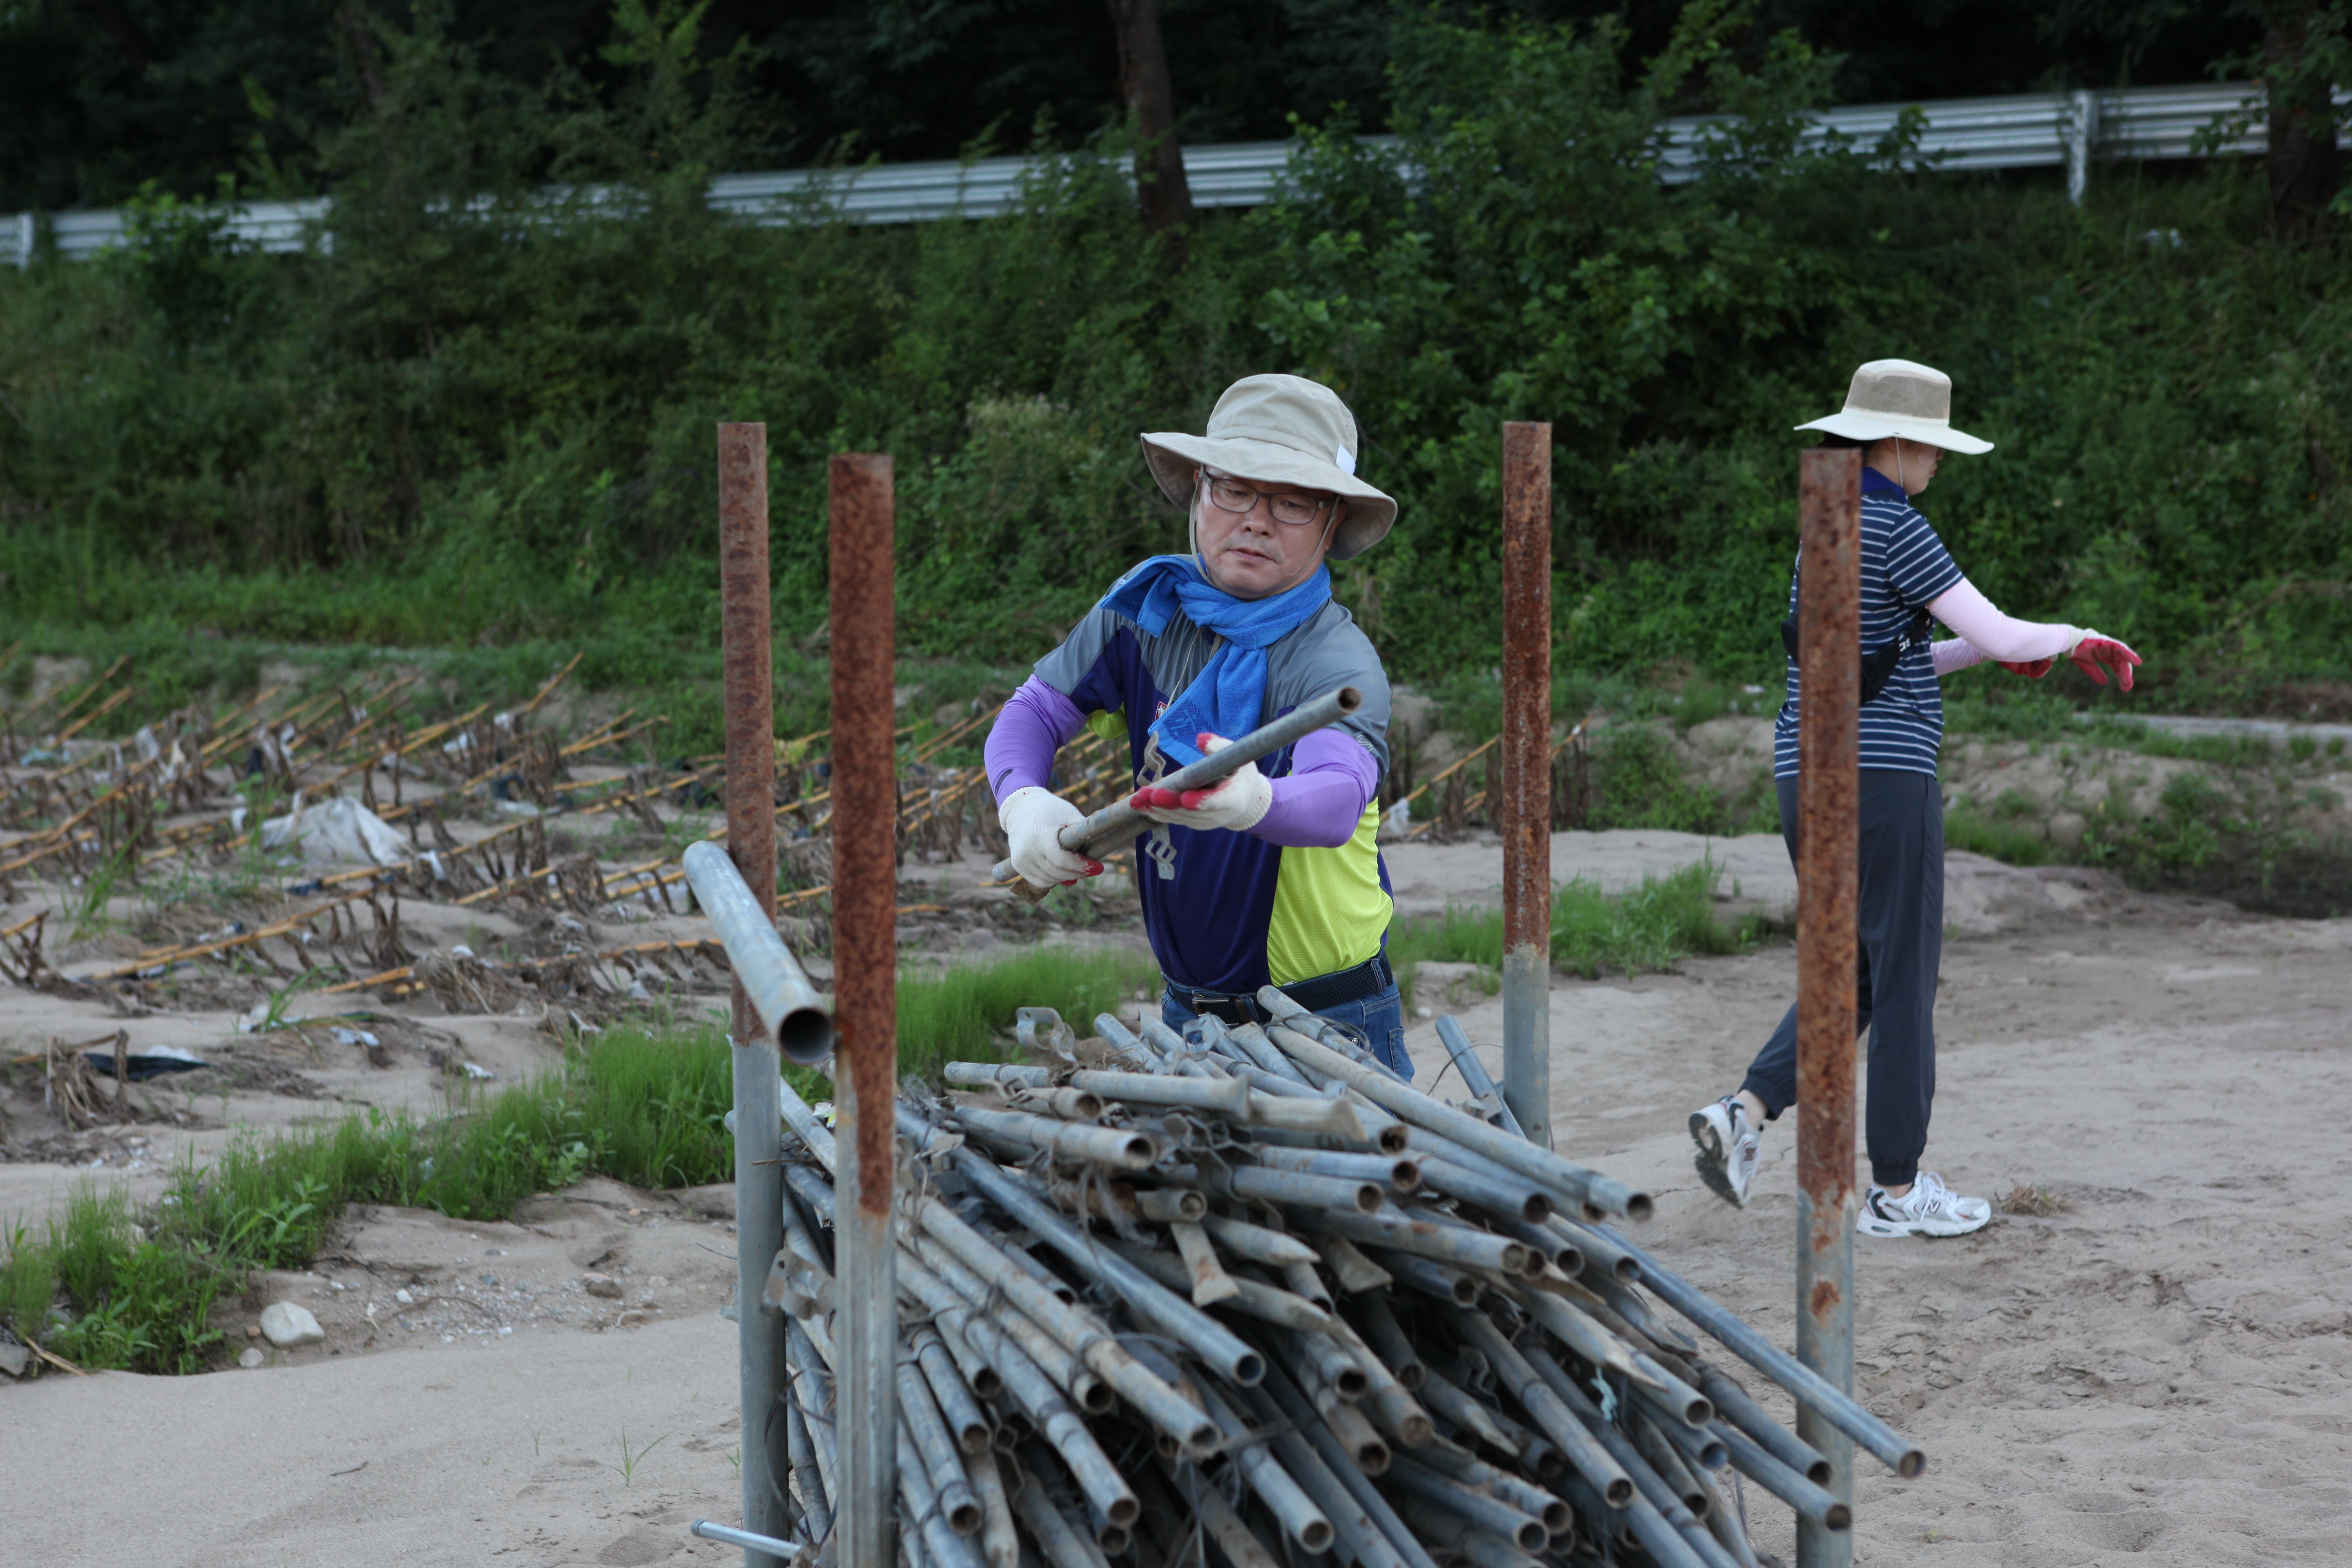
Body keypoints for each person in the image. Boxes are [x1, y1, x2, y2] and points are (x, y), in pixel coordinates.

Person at [1688, 359, 2144, 1237]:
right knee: (1903, 980)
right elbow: (2008, 628)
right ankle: (1897, 1192)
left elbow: (1882, 664)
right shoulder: (1897, 523)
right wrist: (2075, 635)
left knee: (1852, 968)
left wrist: (1989, 651)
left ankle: (1742, 1115)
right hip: (1887, 782)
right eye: (1933, 447)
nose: (1939, 464)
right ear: (1895, 444)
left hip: (1806, 773)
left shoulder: (1824, 524)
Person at [983, 374, 1411, 1075]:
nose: (1256, 519)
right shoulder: (1145, 609)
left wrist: (1257, 802)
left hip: (1326, 1018)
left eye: (1293, 502)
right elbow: (1032, 711)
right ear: (1199, 491)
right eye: (1233, 488)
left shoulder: (1334, 658)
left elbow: (1338, 795)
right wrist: (1022, 800)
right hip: (1190, 1014)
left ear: (1332, 523)